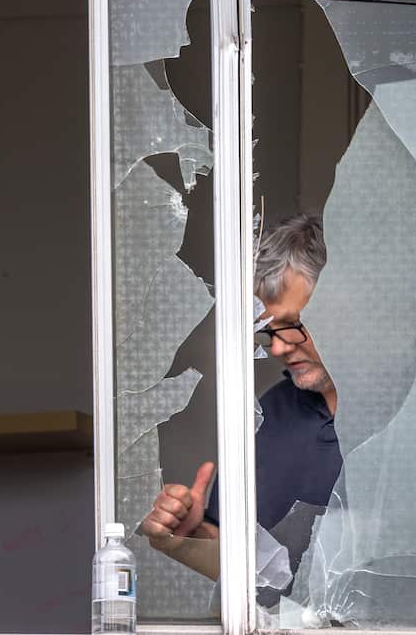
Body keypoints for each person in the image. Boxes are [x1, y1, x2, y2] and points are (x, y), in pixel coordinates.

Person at [140, 214, 341, 599]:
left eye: (294, 324)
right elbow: (258, 572)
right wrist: (190, 538)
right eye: (267, 332)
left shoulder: (409, 414)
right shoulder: (268, 417)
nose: (278, 348)